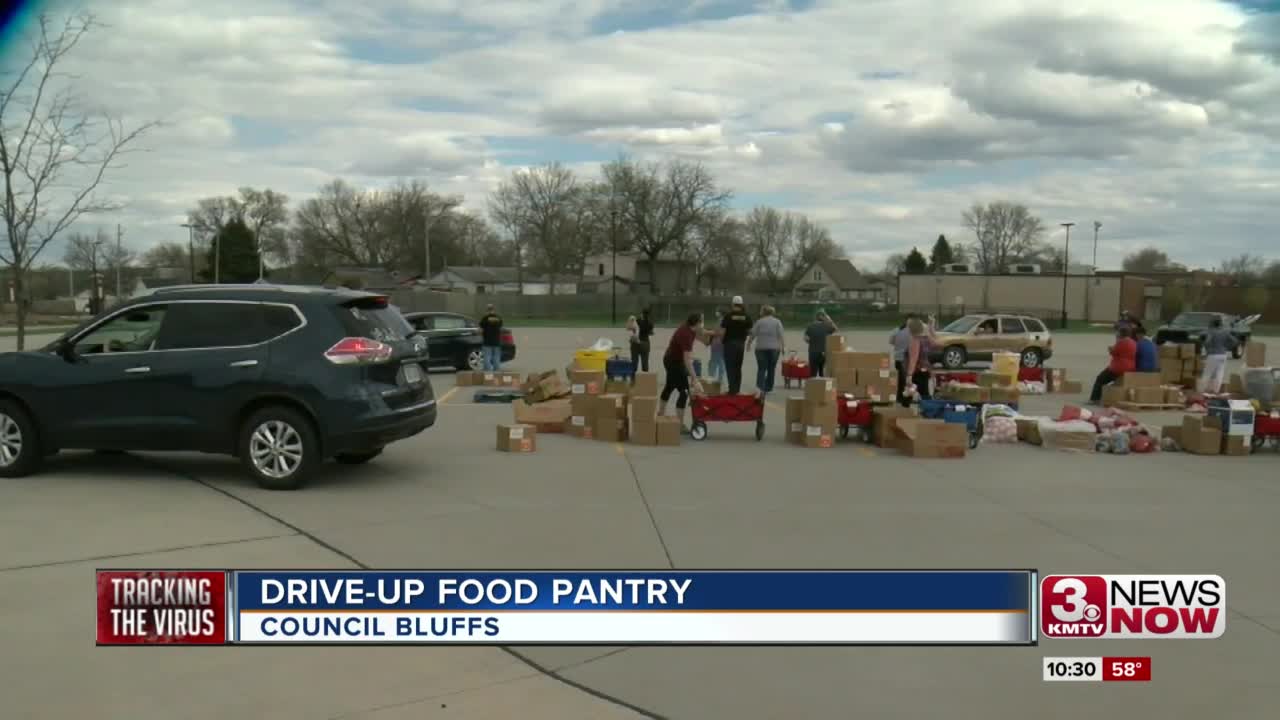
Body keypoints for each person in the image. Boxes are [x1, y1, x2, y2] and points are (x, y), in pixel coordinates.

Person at [659, 313, 705, 433]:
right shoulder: (686, 335)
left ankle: (660, 414)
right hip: (673, 362)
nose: (703, 324)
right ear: (697, 323)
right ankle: (679, 426)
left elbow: (702, 333)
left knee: (669, 386)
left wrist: (714, 334)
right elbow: (687, 361)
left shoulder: (689, 328)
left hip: (672, 359)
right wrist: (695, 380)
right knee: (684, 392)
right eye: (702, 321)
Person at [1089, 326, 1137, 404]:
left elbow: (1114, 351)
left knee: (1100, 379)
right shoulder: (1133, 342)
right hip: (1130, 367)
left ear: (1121, 334)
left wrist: (1112, 347)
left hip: (1118, 367)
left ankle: (1095, 398)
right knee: (1116, 382)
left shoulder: (1122, 342)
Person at [747, 305, 785, 396]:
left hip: (761, 348)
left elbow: (753, 334)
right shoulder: (777, 322)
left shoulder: (759, 322)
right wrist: (783, 347)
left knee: (761, 368)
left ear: (763, 312)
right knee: (771, 368)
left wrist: (748, 344)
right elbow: (781, 335)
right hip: (774, 349)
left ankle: (760, 387)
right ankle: (769, 387)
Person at [719, 296, 752, 394]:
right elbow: (750, 331)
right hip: (740, 344)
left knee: (730, 367)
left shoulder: (728, 316)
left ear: (732, 304)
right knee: (738, 367)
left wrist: (721, 341)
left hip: (730, 344)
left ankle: (732, 390)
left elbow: (723, 331)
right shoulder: (746, 316)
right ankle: (737, 389)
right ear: (741, 304)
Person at [1199, 316, 1238, 394]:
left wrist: (1206, 347)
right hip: (1223, 354)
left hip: (1213, 354)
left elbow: (1207, 342)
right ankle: (1215, 390)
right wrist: (1227, 347)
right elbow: (1235, 341)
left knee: (1207, 373)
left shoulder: (1211, 331)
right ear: (1220, 324)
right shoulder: (1225, 331)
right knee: (1219, 373)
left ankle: (1201, 390)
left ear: (1213, 324)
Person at [903, 316, 936, 404]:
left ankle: (905, 412)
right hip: (925, 369)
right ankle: (929, 410)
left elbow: (913, 359)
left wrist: (909, 375)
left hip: (917, 371)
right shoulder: (926, 339)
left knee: (910, 393)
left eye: (908, 327)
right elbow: (935, 342)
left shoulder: (915, 340)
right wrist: (931, 327)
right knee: (923, 393)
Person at [891, 313, 917, 407]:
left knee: (901, 380)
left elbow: (891, 342)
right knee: (907, 380)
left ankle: (899, 397)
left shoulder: (897, 330)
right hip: (906, 359)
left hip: (898, 358)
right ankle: (905, 399)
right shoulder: (912, 332)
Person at [804, 310, 839, 377]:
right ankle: (821, 385)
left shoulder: (810, 326)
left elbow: (806, 338)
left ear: (815, 318)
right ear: (824, 318)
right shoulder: (827, 326)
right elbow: (836, 329)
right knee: (821, 371)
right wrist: (830, 320)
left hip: (813, 352)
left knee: (813, 372)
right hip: (823, 352)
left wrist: (812, 342)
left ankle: (813, 385)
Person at [478, 304, 504, 371]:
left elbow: (481, 329)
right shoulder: (498, 318)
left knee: (487, 357)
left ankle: (488, 372)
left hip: (487, 341)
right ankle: (496, 371)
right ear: (494, 310)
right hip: (497, 341)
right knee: (496, 357)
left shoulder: (485, 318)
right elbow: (500, 328)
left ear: (487, 310)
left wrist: (481, 335)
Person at [632, 307, 654, 373]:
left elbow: (632, 328)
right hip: (645, 343)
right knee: (645, 363)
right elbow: (651, 332)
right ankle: (644, 379)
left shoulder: (637, 321)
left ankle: (633, 380)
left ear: (642, 313)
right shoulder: (650, 323)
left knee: (634, 362)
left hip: (635, 342)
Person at [706, 309, 726, 383]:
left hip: (717, 344)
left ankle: (712, 378)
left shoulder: (721, 321)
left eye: (718, 311)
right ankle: (720, 379)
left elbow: (717, 332)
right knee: (721, 361)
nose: (716, 312)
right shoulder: (725, 320)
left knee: (714, 361)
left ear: (721, 313)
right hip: (723, 344)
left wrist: (706, 332)